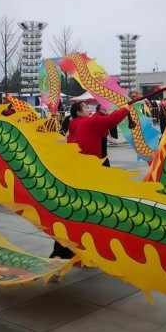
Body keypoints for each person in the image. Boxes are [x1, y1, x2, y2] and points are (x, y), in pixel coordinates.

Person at [50, 101, 131, 264]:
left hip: (76, 176)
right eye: (86, 107)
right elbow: (109, 121)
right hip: (87, 177)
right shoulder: (89, 123)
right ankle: (60, 256)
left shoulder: (76, 124)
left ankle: (71, 254)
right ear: (79, 113)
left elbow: (101, 124)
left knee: (75, 215)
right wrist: (125, 109)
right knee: (80, 217)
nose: (89, 109)